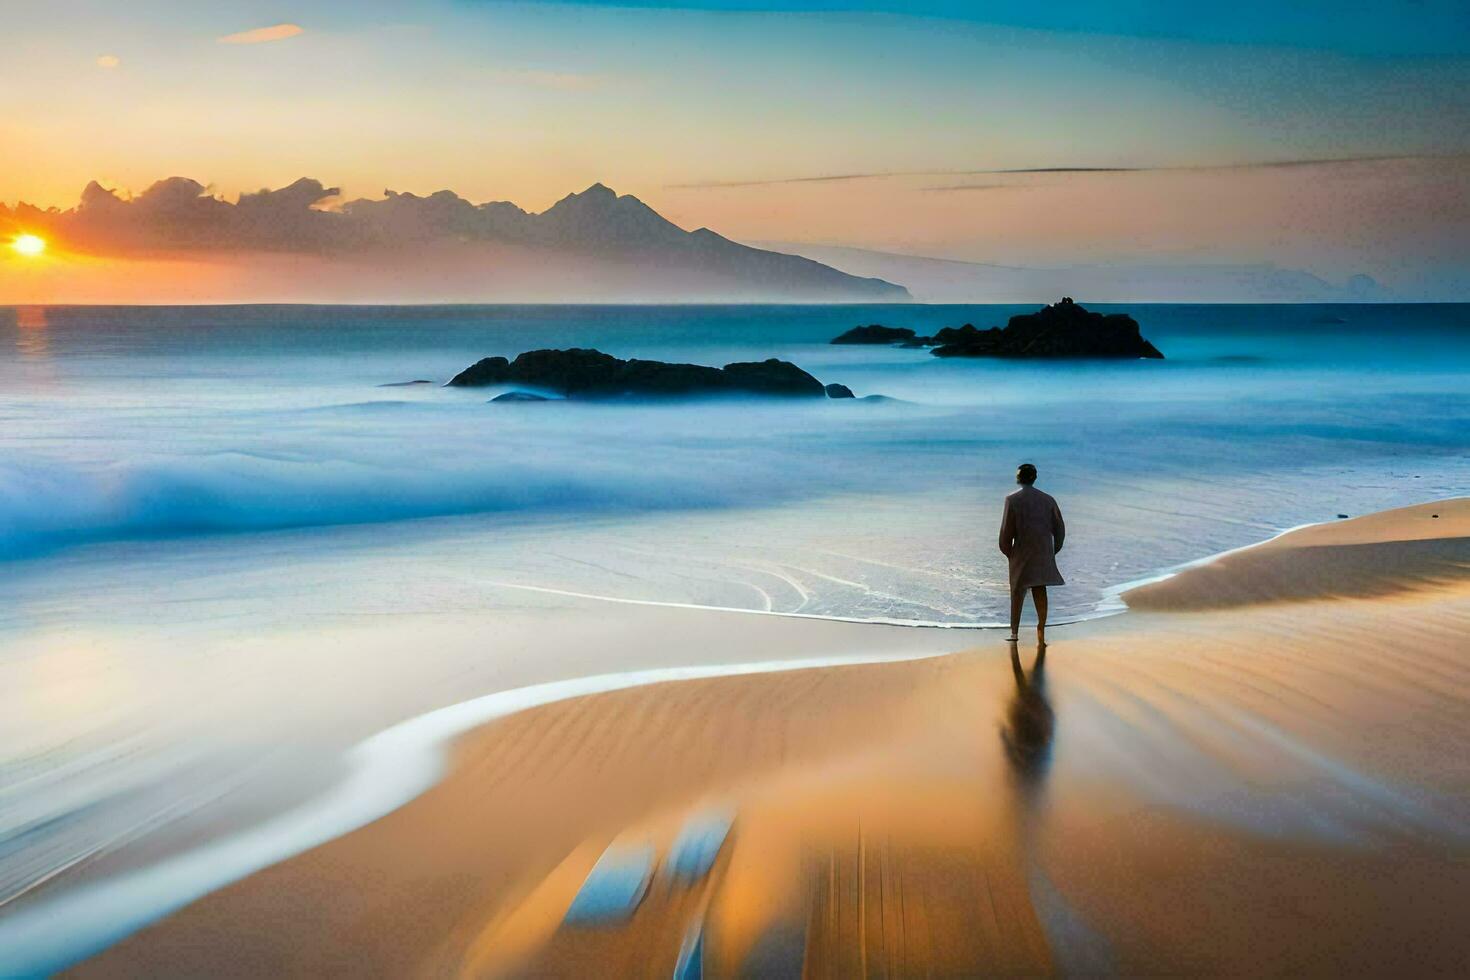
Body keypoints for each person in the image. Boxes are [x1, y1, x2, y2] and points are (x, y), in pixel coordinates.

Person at [998, 463, 1065, 643]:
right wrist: (1053, 550)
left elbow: (1006, 532)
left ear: (1019, 478)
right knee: (1040, 589)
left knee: (1017, 590)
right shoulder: (1048, 499)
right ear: (1034, 478)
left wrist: (1009, 553)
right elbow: (1059, 528)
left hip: (1021, 551)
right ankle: (1041, 629)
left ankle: (1014, 633)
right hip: (1043, 550)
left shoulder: (1012, 500)